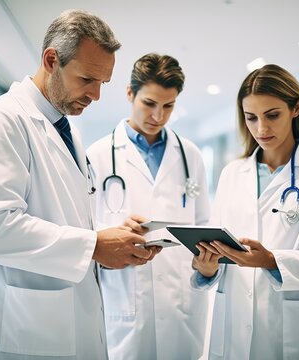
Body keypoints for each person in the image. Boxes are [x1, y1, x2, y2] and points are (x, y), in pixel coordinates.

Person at [0, 10, 158, 359]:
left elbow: (60, 216)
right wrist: (94, 244)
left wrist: (107, 235)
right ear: (51, 60)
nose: (97, 94)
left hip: (69, 316)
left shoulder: (66, 128)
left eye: (103, 82)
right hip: (26, 327)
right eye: (87, 79)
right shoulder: (2, 120)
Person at [192, 64, 299, 360]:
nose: (261, 129)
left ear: (295, 108)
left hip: (293, 326)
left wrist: (270, 260)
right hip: (234, 320)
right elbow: (219, 248)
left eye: (272, 115)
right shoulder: (232, 173)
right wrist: (206, 267)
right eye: (251, 118)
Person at [87, 53, 211, 360]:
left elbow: (203, 225)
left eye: (168, 106)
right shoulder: (98, 155)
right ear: (130, 93)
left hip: (180, 304)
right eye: (149, 103)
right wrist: (112, 233)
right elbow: (84, 231)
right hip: (123, 301)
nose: (158, 115)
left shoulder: (190, 156)